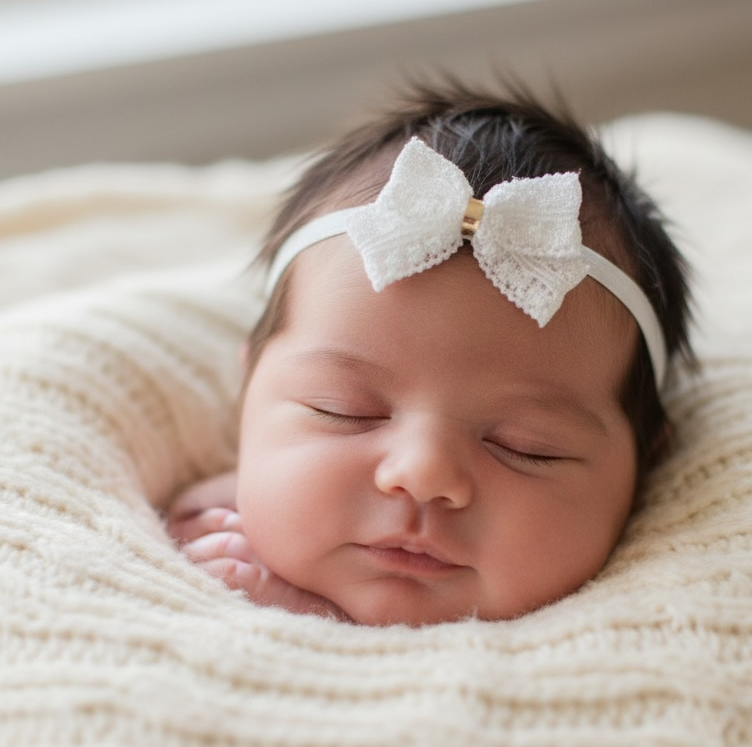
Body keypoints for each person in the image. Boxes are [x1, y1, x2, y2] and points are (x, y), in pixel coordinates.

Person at [168, 80, 694, 627]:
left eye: (527, 448)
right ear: (247, 392)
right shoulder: (196, 531)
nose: (423, 474)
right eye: (343, 410)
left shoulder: (632, 634)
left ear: (645, 468)